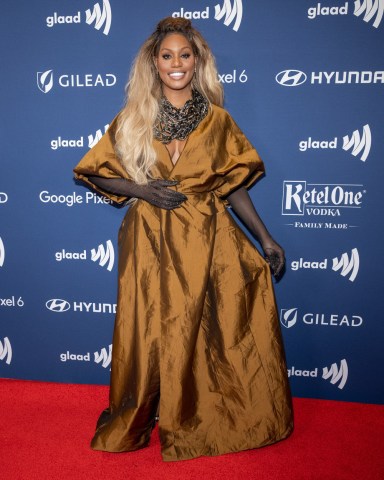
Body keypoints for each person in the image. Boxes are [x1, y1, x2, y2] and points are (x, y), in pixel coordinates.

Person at [74, 17, 293, 462]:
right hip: (149, 238)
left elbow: (233, 185)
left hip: (206, 236)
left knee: (209, 328)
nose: (176, 63)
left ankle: (201, 418)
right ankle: (142, 414)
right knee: (149, 328)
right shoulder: (135, 116)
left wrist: (266, 238)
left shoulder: (218, 120)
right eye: (167, 56)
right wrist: (140, 188)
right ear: (154, 64)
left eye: (185, 55)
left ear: (198, 62)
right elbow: (94, 170)